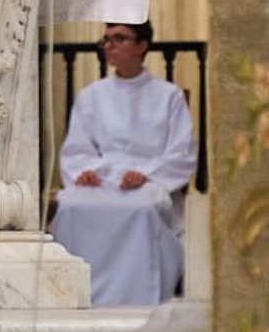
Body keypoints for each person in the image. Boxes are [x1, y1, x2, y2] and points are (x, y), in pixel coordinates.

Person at [50, 20, 199, 306]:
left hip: (149, 182)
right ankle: (76, 296)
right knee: (70, 205)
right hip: (102, 179)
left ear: (142, 45)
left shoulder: (169, 96)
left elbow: (181, 154)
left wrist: (145, 174)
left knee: (142, 209)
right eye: (106, 39)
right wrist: (86, 172)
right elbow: (76, 149)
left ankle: (138, 297)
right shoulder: (92, 95)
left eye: (119, 38)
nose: (109, 45)